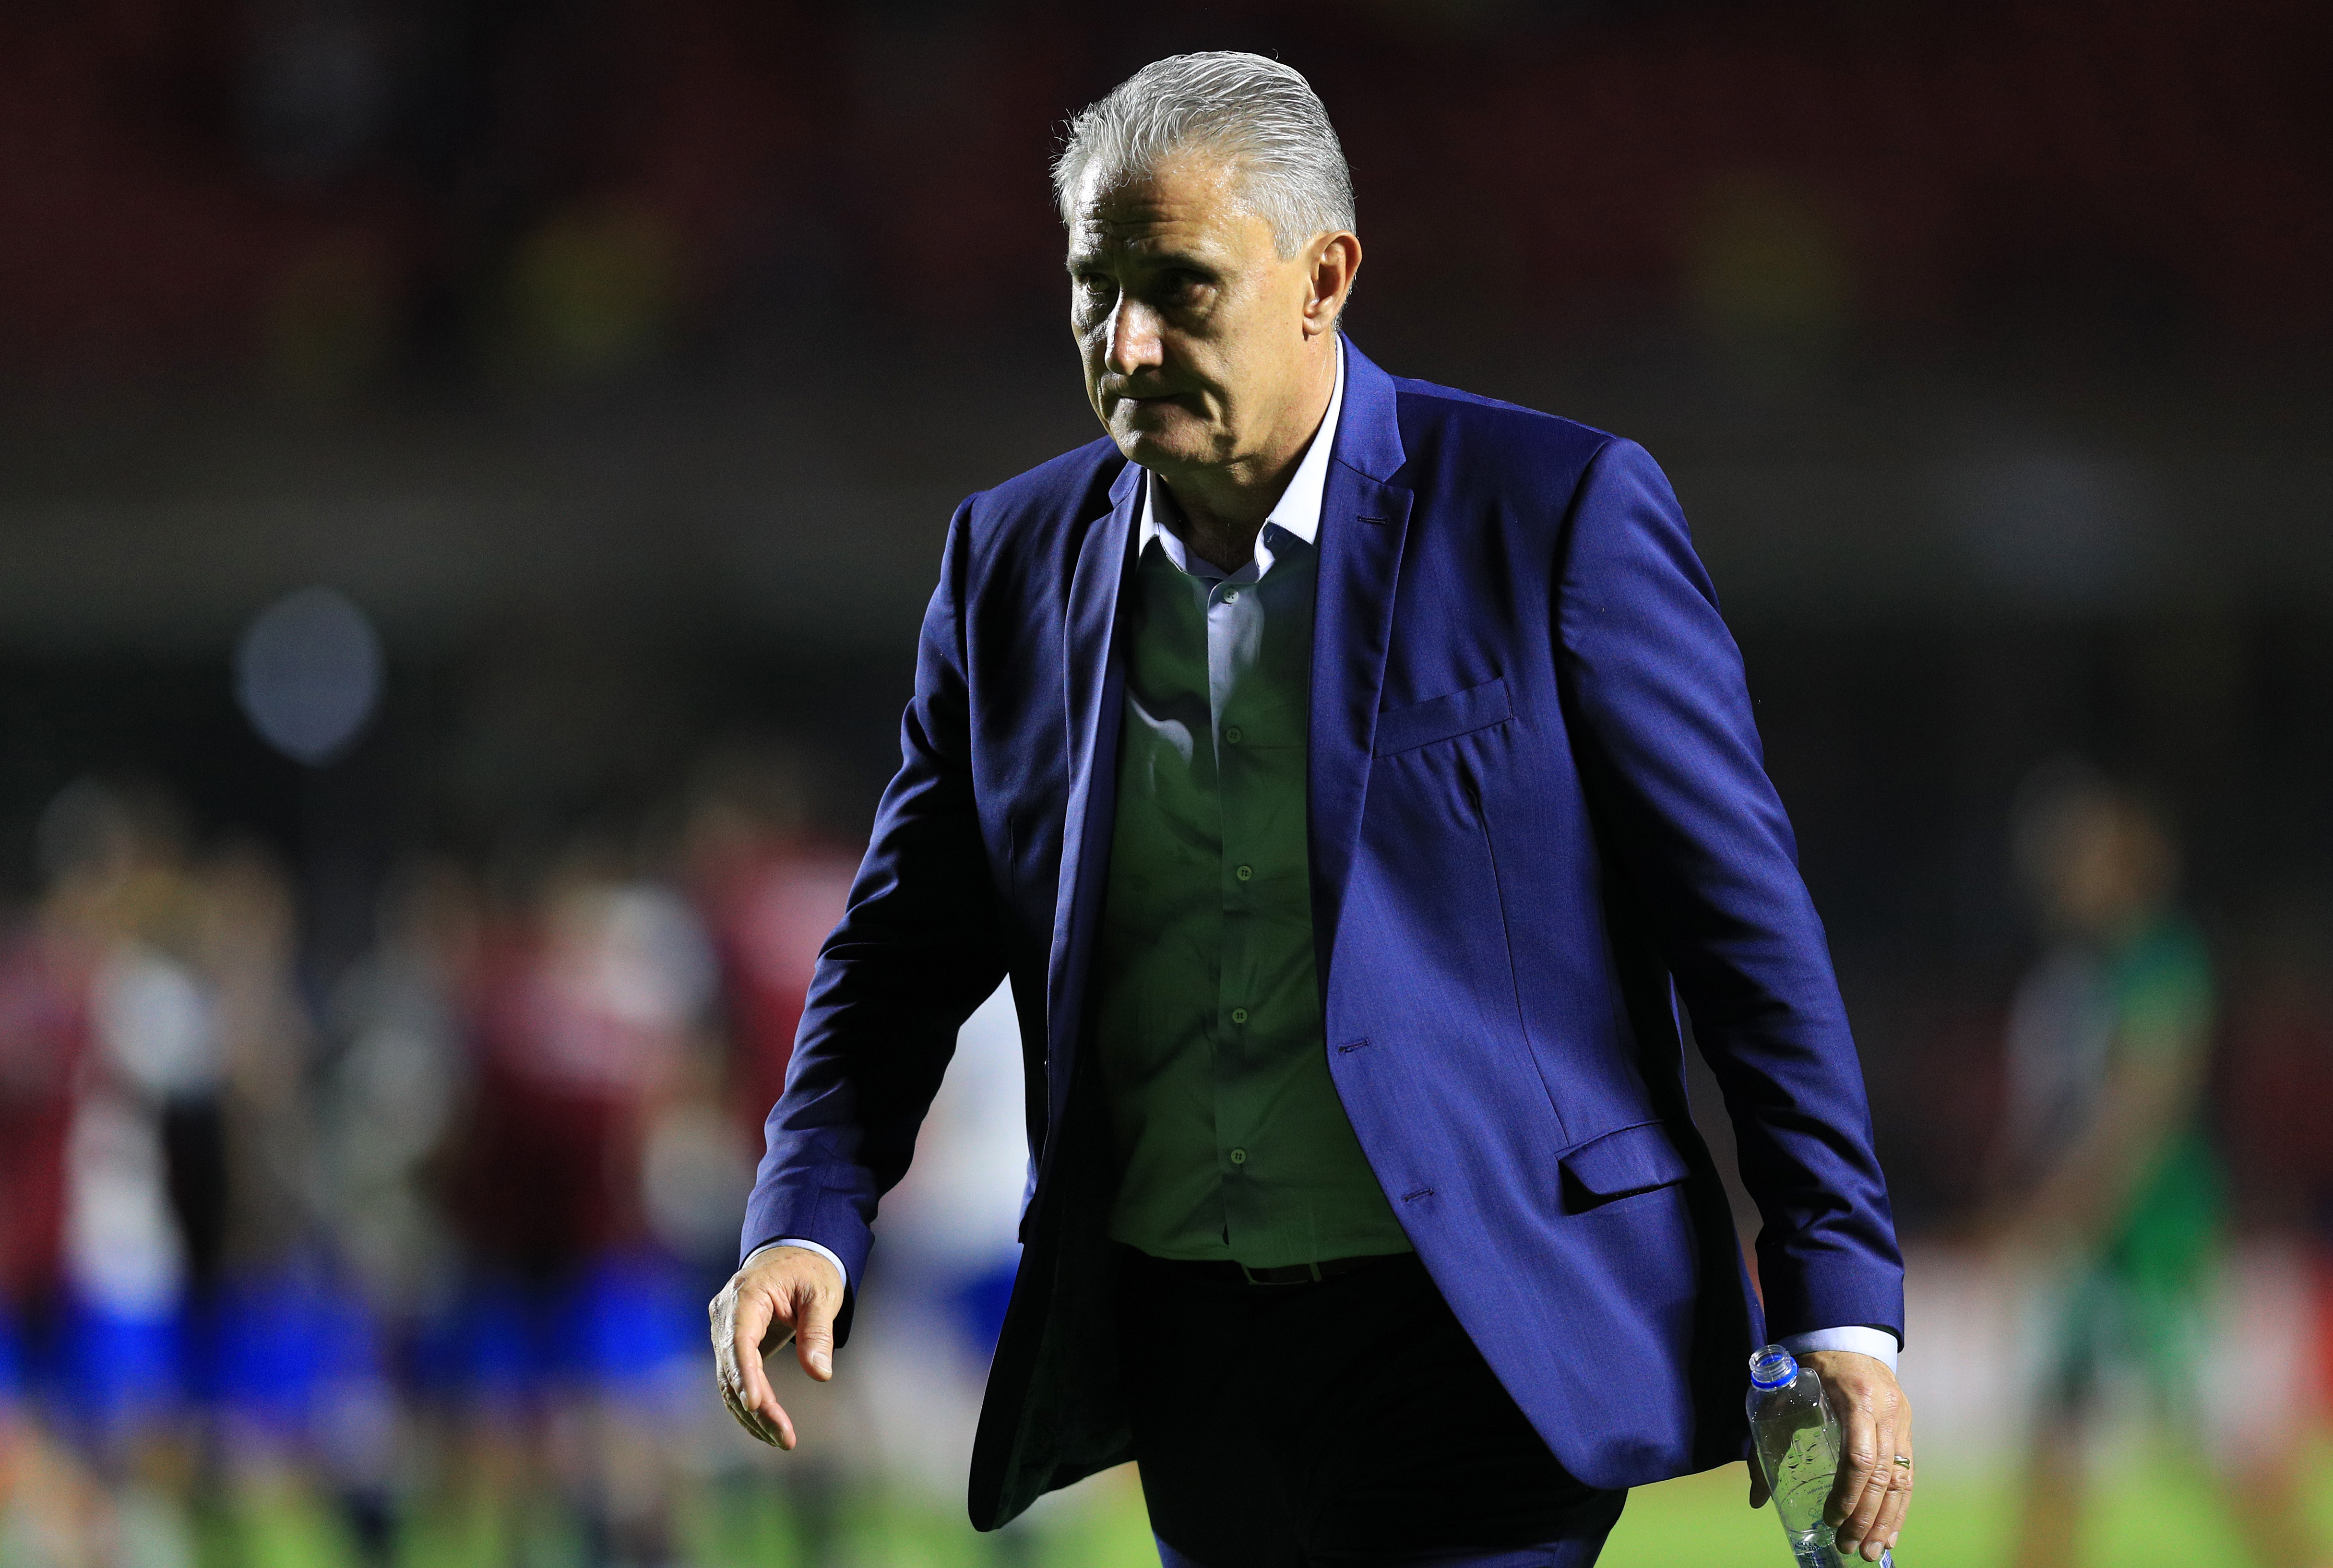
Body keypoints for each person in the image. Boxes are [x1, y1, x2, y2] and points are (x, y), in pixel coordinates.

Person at [710, 51, 1910, 1568]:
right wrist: (805, 1213)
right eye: (1094, 287)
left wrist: (1835, 1293)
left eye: (1180, 287)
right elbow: (897, 949)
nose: (1126, 341)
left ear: (1321, 277)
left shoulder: (1548, 515)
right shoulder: (1006, 563)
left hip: (1485, 1320)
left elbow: (1741, 931)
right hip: (1187, 1345)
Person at [1995, 764, 2333, 1568]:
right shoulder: (2083, 970)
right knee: (2059, 1424)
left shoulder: (2156, 960)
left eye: (2075, 855)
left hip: (2153, 1231)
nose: (2057, 873)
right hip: (2102, 1233)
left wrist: (2063, 1205)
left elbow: (2142, 1106)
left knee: (2212, 1430)